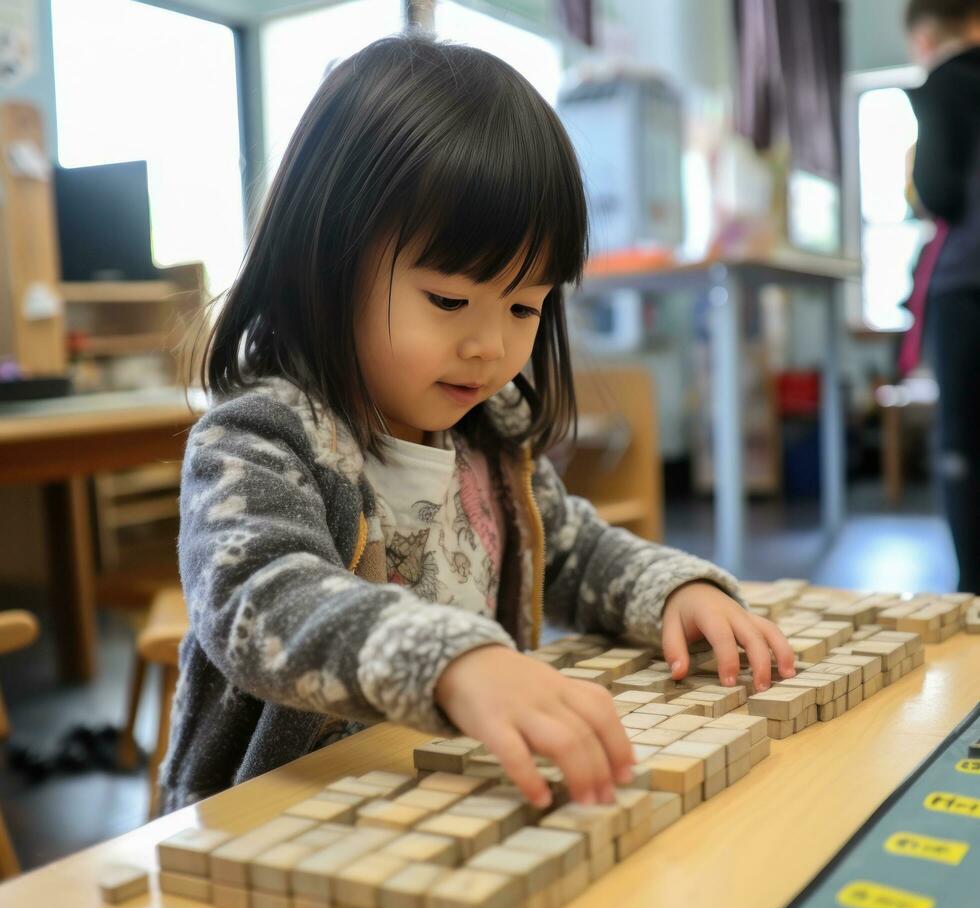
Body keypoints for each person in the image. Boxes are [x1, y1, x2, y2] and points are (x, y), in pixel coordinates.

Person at [159, 34, 795, 816]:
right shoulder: (261, 438)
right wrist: (452, 662)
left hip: (441, 796)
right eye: (450, 302)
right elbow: (260, 601)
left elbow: (572, 551)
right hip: (275, 821)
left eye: (525, 306)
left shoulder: (487, 435)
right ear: (326, 259)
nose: (489, 346)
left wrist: (673, 592)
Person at [905, 0, 980, 591]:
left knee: (964, 445)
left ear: (924, 37)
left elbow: (940, 193)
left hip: (970, 283)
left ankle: (975, 597)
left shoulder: (944, 83)